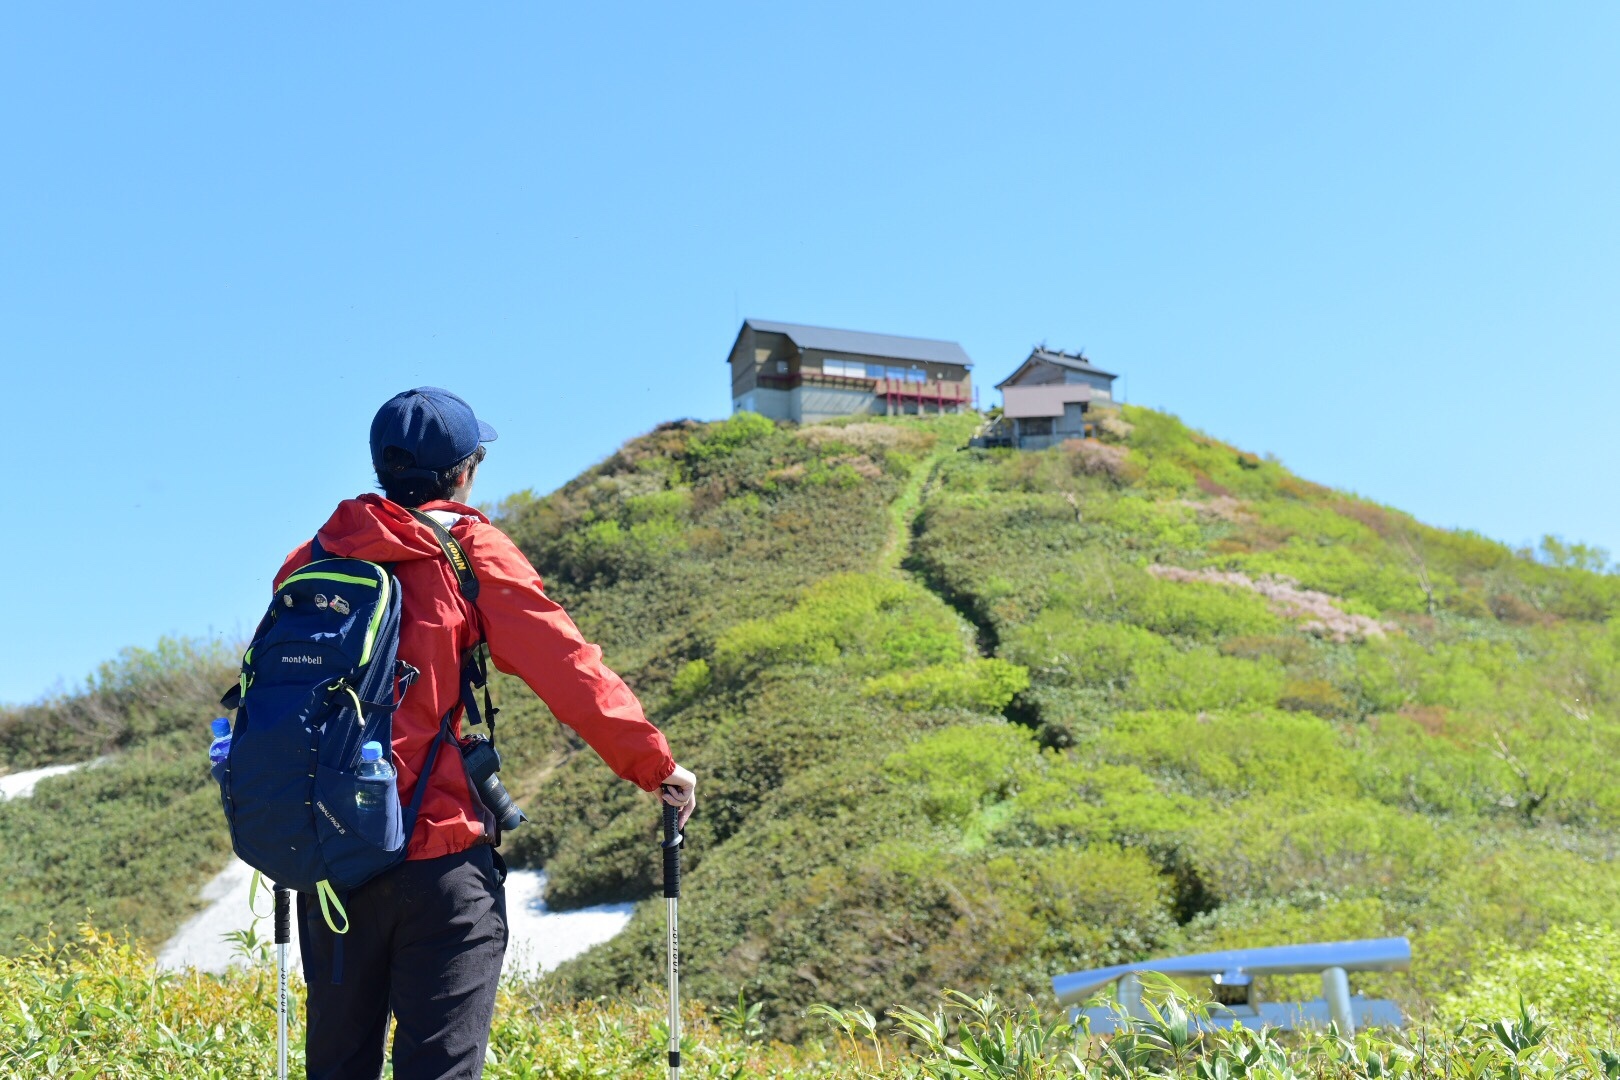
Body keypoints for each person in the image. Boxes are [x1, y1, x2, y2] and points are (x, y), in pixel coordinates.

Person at [278, 386, 697, 1080]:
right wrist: (655, 765)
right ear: (465, 471)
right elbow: (571, 670)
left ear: (383, 468)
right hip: (438, 856)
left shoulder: (313, 559)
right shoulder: (468, 550)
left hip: (335, 864)